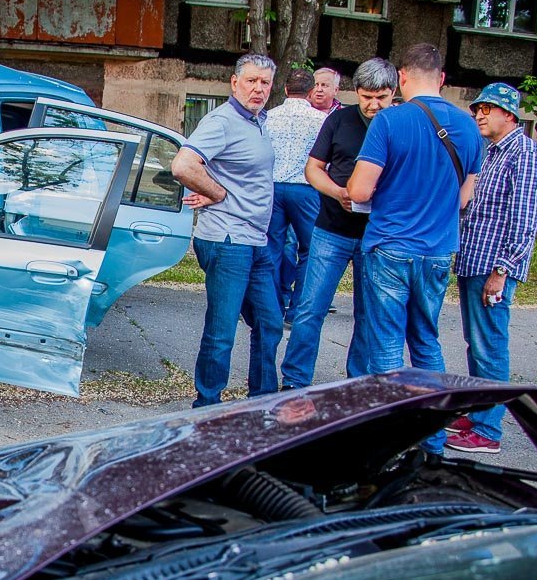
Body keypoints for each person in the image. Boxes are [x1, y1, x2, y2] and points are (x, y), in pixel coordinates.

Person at [347, 43, 482, 456]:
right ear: (442, 79)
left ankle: (391, 443)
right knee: (426, 341)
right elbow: (464, 199)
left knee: (386, 344)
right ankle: (432, 441)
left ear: (401, 77)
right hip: (438, 250)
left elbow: (360, 190)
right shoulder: (469, 127)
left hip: (390, 246)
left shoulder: (389, 120)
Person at [171, 53, 282, 408]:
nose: (258, 89)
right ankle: (206, 407)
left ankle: (261, 404)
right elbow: (183, 164)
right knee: (222, 331)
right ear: (235, 83)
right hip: (228, 240)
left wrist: (219, 188)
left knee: (269, 322)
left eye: (265, 82)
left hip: (256, 240)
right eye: (251, 81)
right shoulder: (222, 121)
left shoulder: (258, 121)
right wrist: (217, 193)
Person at [282, 57, 398, 390]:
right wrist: (337, 192)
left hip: (377, 236)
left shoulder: (400, 124)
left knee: (368, 314)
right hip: (331, 230)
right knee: (310, 308)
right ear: (355, 91)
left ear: (394, 92)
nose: (373, 105)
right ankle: (294, 382)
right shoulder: (339, 120)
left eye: (381, 98)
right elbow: (313, 169)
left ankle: (357, 383)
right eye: (366, 97)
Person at [445, 83, 537, 455]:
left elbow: (524, 220)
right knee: (477, 345)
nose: (479, 115)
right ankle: (478, 413)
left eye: (487, 109)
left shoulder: (525, 153)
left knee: (490, 346)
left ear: (509, 113)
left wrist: (502, 270)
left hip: (493, 267)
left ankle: (488, 431)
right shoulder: (491, 152)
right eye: (477, 109)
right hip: (474, 261)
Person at [265, 69, 326, 322]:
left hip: (273, 187)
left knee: (272, 247)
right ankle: (298, 309)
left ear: (285, 89)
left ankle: (271, 308)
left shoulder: (269, 117)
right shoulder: (321, 120)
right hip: (306, 188)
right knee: (310, 250)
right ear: (311, 91)